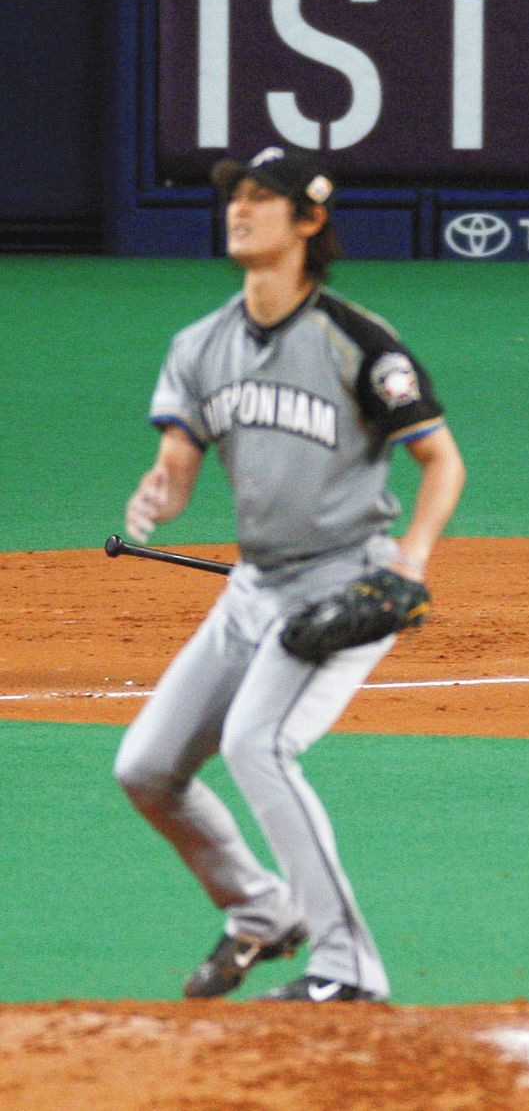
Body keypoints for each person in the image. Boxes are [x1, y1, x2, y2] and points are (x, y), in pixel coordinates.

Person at [114, 145, 465, 1002]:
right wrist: (159, 491)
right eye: (235, 195)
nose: (239, 208)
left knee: (258, 745)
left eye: (261, 198)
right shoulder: (199, 345)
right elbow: (180, 458)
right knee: (147, 769)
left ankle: (349, 973)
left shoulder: (356, 340)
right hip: (253, 589)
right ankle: (262, 909)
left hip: (344, 581)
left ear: (309, 221)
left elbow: (441, 460)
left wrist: (410, 563)